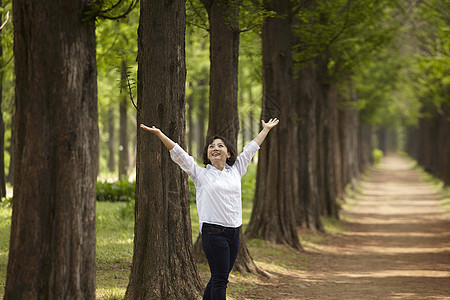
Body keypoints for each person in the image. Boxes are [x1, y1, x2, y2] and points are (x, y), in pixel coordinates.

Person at [140, 118, 279, 300]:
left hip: (234, 233)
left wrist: (266, 130)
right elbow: (179, 153)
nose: (215, 148)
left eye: (220, 145)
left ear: (228, 153)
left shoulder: (236, 170)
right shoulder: (201, 174)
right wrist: (160, 134)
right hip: (213, 233)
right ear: (207, 153)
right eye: (211, 146)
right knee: (220, 280)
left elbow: (251, 148)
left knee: (218, 278)